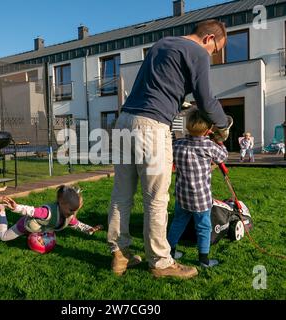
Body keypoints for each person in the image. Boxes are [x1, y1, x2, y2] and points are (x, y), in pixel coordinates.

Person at [107, 19, 232, 279]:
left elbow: (159, 84)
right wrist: (224, 125)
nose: (213, 55)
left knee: (122, 194)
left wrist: (179, 102)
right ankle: (161, 262)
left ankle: (120, 254)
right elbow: (206, 99)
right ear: (209, 38)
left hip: (124, 122)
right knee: (156, 198)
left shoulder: (163, 43)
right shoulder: (198, 51)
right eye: (216, 50)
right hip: (151, 128)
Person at [167, 108, 228, 268]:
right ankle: (203, 259)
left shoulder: (178, 145)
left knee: (178, 222)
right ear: (208, 129)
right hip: (201, 198)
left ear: (187, 127)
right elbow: (223, 156)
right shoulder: (209, 146)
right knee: (203, 227)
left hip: (182, 196)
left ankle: (170, 251)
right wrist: (219, 140)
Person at [0, 185, 103, 245]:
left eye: (75, 211)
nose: (73, 214)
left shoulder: (69, 216)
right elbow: (30, 210)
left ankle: (30, 235)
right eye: (72, 210)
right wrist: (16, 207)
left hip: (39, 228)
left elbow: (77, 224)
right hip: (26, 226)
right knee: (4, 237)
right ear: (61, 203)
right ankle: (1, 211)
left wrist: (89, 229)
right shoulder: (47, 212)